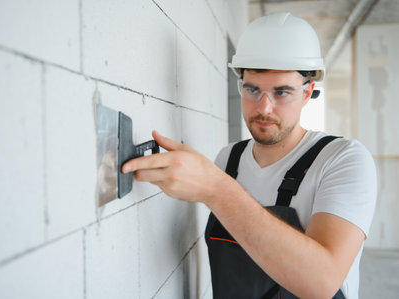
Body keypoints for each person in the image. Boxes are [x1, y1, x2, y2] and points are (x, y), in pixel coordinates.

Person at [122, 12, 377, 299]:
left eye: (282, 92)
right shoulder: (228, 159)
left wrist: (216, 189)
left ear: (307, 93)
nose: (264, 108)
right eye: (252, 89)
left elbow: (321, 284)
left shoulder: (343, 160)